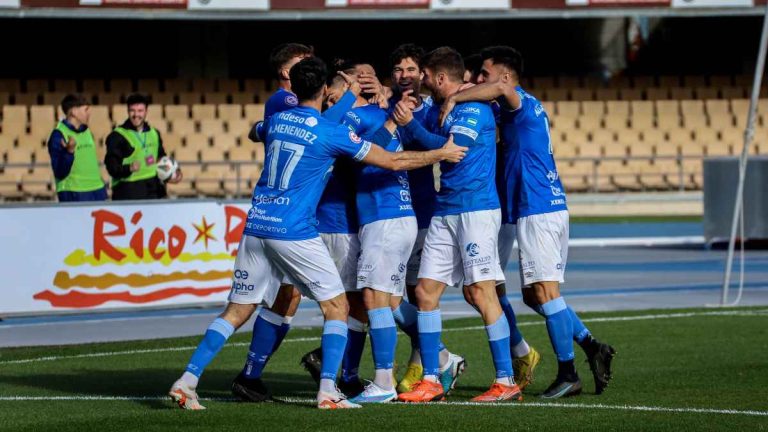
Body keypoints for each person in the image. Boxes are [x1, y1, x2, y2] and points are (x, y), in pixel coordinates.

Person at [168, 56, 467, 410]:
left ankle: (187, 380)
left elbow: (256, 131)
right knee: (338, 306)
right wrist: (441, 153)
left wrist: (345, 99)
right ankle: (329, 391)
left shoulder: (278, 119)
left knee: (236, 310)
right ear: (325, 88)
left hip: (256, 225)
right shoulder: (330, 132)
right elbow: (393, 161)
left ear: (292, 88)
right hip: (294, 230)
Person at [439, 45, 616, 399]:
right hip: (519, 208)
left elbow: (501, 90)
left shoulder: (518, 99)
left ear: (504, 77)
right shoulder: (510, 109)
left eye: (484, 75)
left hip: (538, 206)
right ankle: (590, 345)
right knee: (531, 295)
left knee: (546, 293)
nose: (478, 80)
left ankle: (568, 373)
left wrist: (454, 99)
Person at [392, 47, 521, 403]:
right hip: (446, 209)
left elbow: (449, 149)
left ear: (441, 78)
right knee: (425, 292)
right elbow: (428, 125)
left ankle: (506, 379)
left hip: (475, 211)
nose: (423, 82)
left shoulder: (473, 109)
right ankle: (432, 378)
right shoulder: (446, 107)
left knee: (482, 292)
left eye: (427, 77)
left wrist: (410, 125)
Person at [386, 44, 467, 395]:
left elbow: (444, 146)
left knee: (410, 296)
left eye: (410, 69)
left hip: (420, 213)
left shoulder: (434, 108)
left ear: (423, 75)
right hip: (386, 212)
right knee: (392, 296)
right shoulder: (384, 107)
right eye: (398, 69)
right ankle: (438, 356)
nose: (404, 75)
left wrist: (412, 124)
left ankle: (426, 362)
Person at [104, 93, 181, 200]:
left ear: (146, 111)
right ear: (128, 111)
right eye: (132, 111)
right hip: (129, 192)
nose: (136, 115)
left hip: (154, 190)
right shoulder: (117, 136)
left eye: (140, 111)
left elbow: (161, 158)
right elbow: (111, 168)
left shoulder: (154, 133)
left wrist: (172, 174)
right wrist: (129, 168)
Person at [47, 94, 107, 202]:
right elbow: (59, 172)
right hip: (74, 194)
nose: (89, 113)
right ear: (74, 112)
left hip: (97, 191)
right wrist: (69, 152)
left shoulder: (87, 131)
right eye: (86, 109)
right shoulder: (58, 135)